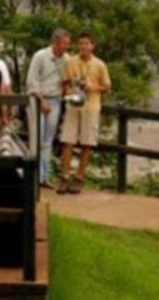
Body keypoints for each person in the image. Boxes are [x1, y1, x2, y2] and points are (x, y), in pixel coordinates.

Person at [56, 33, 111, 195]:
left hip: (91, 106)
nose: (83, 47)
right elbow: (65, 83)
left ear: (92, 46)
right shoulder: (71, 62)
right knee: (68, 141)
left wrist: (93, 87)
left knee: (87, 143)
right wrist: (68, 92)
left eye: (87, 44)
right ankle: (64, 177)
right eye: (81, 44)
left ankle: (79, 178)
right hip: (73, 105)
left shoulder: (100, 65)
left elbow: (107, 86)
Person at [26, 29, 71, 188]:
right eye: (65, 43)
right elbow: (31, 81)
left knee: (48, 140)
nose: (67, 46)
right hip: (38, 99)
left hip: (56, 100)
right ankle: (33, 176)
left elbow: (67, 81)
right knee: (36, 138)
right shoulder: (40, 56)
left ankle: (43, 177)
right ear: (56, 43)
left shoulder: (66, 59)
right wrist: (41, 100)